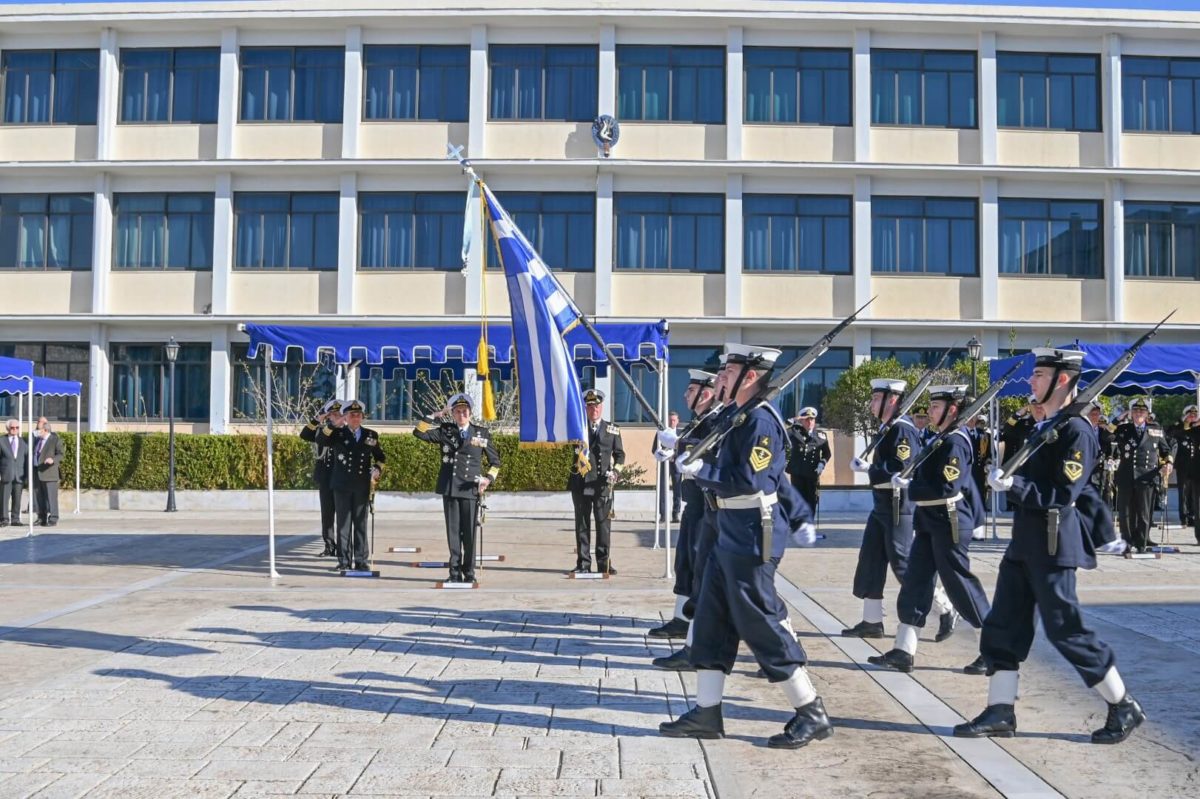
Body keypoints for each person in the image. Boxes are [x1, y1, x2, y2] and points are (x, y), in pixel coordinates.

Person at [958, 347, 1145, 744]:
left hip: (1054, 541)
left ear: (1062, 380)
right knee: (1003, 626)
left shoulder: (1077, 430)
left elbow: (1064, 492)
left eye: (1040, 374)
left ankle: (1123, 704)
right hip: (1025, 542)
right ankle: (1000, 710)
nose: (1032, 380)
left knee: (1065, 630)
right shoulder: (1047, 425)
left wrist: (1017, 485)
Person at [662, 344, 831, 749]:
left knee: (759, 619)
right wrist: (681, 446)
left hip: (753, 529)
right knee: (711, 617)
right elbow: (706, 448)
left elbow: (750, 479)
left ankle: (810, 709)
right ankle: (706, 711)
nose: (720, 376)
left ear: (749, 376)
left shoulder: (761, 422)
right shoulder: (735, 416)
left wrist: (704, 469)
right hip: (727, 526)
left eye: (729, 369)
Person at [868, 385, 991, 676]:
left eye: (936, 407)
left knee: (960, 585)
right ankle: (904, 649)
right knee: (915, 583)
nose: (930, 411)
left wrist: (911, 487)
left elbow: (948, 486)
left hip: (949, 521)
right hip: (929, 520)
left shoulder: (956, 443)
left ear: (952, 410)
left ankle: (994, 648)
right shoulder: (940, 438)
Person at [844, 379, 954, 640]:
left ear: (891, 400)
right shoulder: (888, 428)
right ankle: (872, 621)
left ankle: (945, 608)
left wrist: (868, 470)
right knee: (871, 560)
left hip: (898, 505)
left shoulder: (901, 430)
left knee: (904, 564)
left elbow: (902, 469)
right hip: (882, 504)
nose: (871, 404)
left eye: (875, 398)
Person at [648, 370, 717, 642]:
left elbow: (709, 448)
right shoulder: (699, 421)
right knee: (685, 561)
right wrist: (672, 450)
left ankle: (700, 622)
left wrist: (679, 443)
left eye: (690, 390)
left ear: (706, 394)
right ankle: (681, 619)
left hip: (709, 503)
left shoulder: (715, 421)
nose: (685, 394)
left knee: (701, 563)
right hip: (695, 502)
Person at [414, 393, 501, 583]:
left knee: (469, 534)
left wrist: (487, 479)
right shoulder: (446, 430)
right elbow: (419, 432)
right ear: (452, 414)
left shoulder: (481, 433)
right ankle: (454, 573)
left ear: (470, 413)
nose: (461, 415)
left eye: (464, 411)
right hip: (450, 488)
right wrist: (435, 415)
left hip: (470, 489)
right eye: (457, 412)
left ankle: (469, 573)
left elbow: (495, 462)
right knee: (453, 533)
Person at [322, 399, 385, 572]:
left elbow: (380, 457)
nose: (355, 418)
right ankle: (343, 561)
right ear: (346, 417)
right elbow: (321, 439)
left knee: (360, 524)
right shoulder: (337, 434)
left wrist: (377, 469)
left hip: (361, 486)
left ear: (362, 417)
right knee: (343, 525)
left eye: (358, 415)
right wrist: (334, 425)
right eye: (351, 415)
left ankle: (361, 560)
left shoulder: (370, 435)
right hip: (341, 485)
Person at [568, 389, 625, 574]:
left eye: (597, 406)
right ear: (586, 408)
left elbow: (620, 455)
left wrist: (615, 472)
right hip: (581, 484)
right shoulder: (577, 429)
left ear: (602, 407)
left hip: (601, 484)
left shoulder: (612, 429)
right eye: (591, 406)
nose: (594, 410)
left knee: (603, 526)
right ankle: (583, 563)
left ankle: (604, 563)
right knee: (582, 525)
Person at [1114, 398, 1173, 552]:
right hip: (1126, 475)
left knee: (1143, 513)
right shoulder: (1124, 429)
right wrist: (1120, 417)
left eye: (1142, 411)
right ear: (1131, 413)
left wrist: (1168, 463)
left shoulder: (1156, 430)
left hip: (1147, 476)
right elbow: (1107, 433)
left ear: (1147, 414)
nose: (1139, 413)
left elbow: (1166, 450)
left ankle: (1141, 544)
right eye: (1135, 410)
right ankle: (1126, 543)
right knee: (1125, 513)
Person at [299, 398, 342, 557]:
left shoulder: (345, 431)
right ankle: (329, 546)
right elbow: (304, 434)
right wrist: (318, 419)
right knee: (327, 514)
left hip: (341, 478)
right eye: (332, 414)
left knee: (343, 515)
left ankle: (343, 547)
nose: (335, 416)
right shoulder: (320, 431)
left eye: (338, 414)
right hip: (325, 478)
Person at [786, 407, 831, 518]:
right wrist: (796, 419)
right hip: (798, 473)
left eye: (812, 419)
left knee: (811, 500)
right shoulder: (794, 432)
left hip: (812, 473)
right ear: (802, 421)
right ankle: (798, 524)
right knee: (797, 499)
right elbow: (782, 428)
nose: (809, 422)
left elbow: (827, 453)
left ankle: (809, 524)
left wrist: (822, 463)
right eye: (806, 419)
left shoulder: (821, 436)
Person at [1167, 405, 1197, 527]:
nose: (1192, 417)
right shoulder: (1178, 428)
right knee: (1183, 492)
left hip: (1196, 465)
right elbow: (1170, 434)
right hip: (1183, 466)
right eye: (1190, 415)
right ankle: (1184, 517)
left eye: (1195, 415)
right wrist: (1183, 422)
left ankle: (1193, 516)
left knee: (1194, 493)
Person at [32, 420, 64, 527]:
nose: (36, 431)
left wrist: (53, 460)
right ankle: (41, 517)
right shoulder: (37, 440)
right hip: (37, 472)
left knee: (51, 497)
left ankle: (53, 518)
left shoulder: (55, 439)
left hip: (49, 473)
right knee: (38, 497)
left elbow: (61, 454)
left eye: (38, 429)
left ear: (45, 430)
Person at [653, 410, 682, 524]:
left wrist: (674, 455)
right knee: (662, 489)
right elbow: (654, 449)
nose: (672, 422)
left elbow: (684, 448)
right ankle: (663, 515)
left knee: (677, 489)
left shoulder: (681, 433)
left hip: (676, 464)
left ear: (678, 421)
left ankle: (676, 514)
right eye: (670, 420)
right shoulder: (661, 433)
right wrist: (662, 454)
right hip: (664, 464)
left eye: (674, 420)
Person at [1, 419, 28, 527]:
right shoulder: (2, 441)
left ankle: (15, 519)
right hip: (5, 474)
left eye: (17, 428)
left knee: (17, 498)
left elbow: (26, 459)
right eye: (12, 428)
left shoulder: (23, 441)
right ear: (8, 428)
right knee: (3, 499)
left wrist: (26, 475)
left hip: (19, 475)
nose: (15, 430)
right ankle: (4, 519)